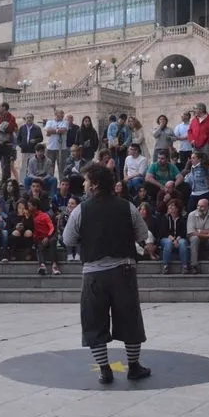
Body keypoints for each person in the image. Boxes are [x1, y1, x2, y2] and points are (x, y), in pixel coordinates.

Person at [62, 163, 151, 384]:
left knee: (93, 322)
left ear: (95, 184)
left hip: (94, 274)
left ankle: (105, 370)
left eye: (86, 180)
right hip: (124, 271)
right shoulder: (127, 207)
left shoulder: (80, 210)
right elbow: (142, 233)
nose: (83, 184)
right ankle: (133, 367)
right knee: (130, 320)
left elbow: (68, 240)